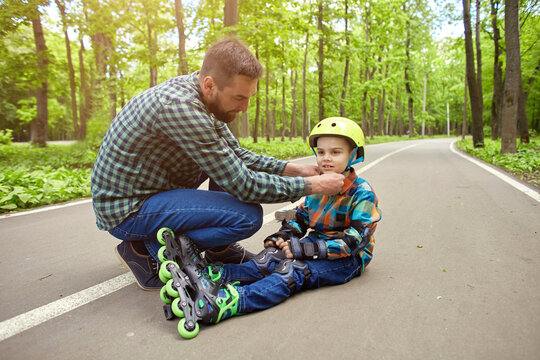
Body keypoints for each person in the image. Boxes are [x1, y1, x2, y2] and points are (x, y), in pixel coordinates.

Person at [90, 37, 345, 291]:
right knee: (247, 217)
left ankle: (218, 250)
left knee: (225, 163)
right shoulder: (182, 108)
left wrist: (294, 169)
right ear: (210, 84)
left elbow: (236, 155)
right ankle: (143, 250)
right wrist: (312, 185)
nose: (244, 108)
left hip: (153, 187)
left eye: (249, 98)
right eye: (238, 97)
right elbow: (245, 185)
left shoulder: (202, 96)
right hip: (127, 210)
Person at [160, 117, 382, 338]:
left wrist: (306, 251)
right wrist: (284, 235)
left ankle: (230, 301)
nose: (326, 158)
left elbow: (355, 241)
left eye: (335, 152)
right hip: (316, 243)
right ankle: (215, 276)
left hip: (347, 260)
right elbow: (302, 217)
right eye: (321, 152)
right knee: (270, 258)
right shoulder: (320, 184)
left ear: (354, 154)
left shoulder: (362, 193)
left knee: (293, 270)